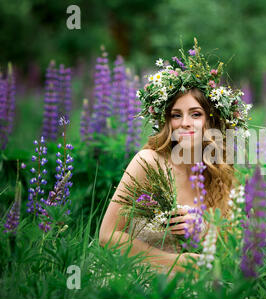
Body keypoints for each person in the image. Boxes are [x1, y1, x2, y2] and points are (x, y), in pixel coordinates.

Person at [99, 39, 252, 276]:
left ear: (211, 122)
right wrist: (173, 261)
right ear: (167, 122)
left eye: (196, 114)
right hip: (140, 276)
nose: (185, 123)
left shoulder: (220, 174)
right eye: (176, 115)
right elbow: (108, 236)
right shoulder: (148, 162)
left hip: (197, 282)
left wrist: (201, 232)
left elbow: (231, 251)